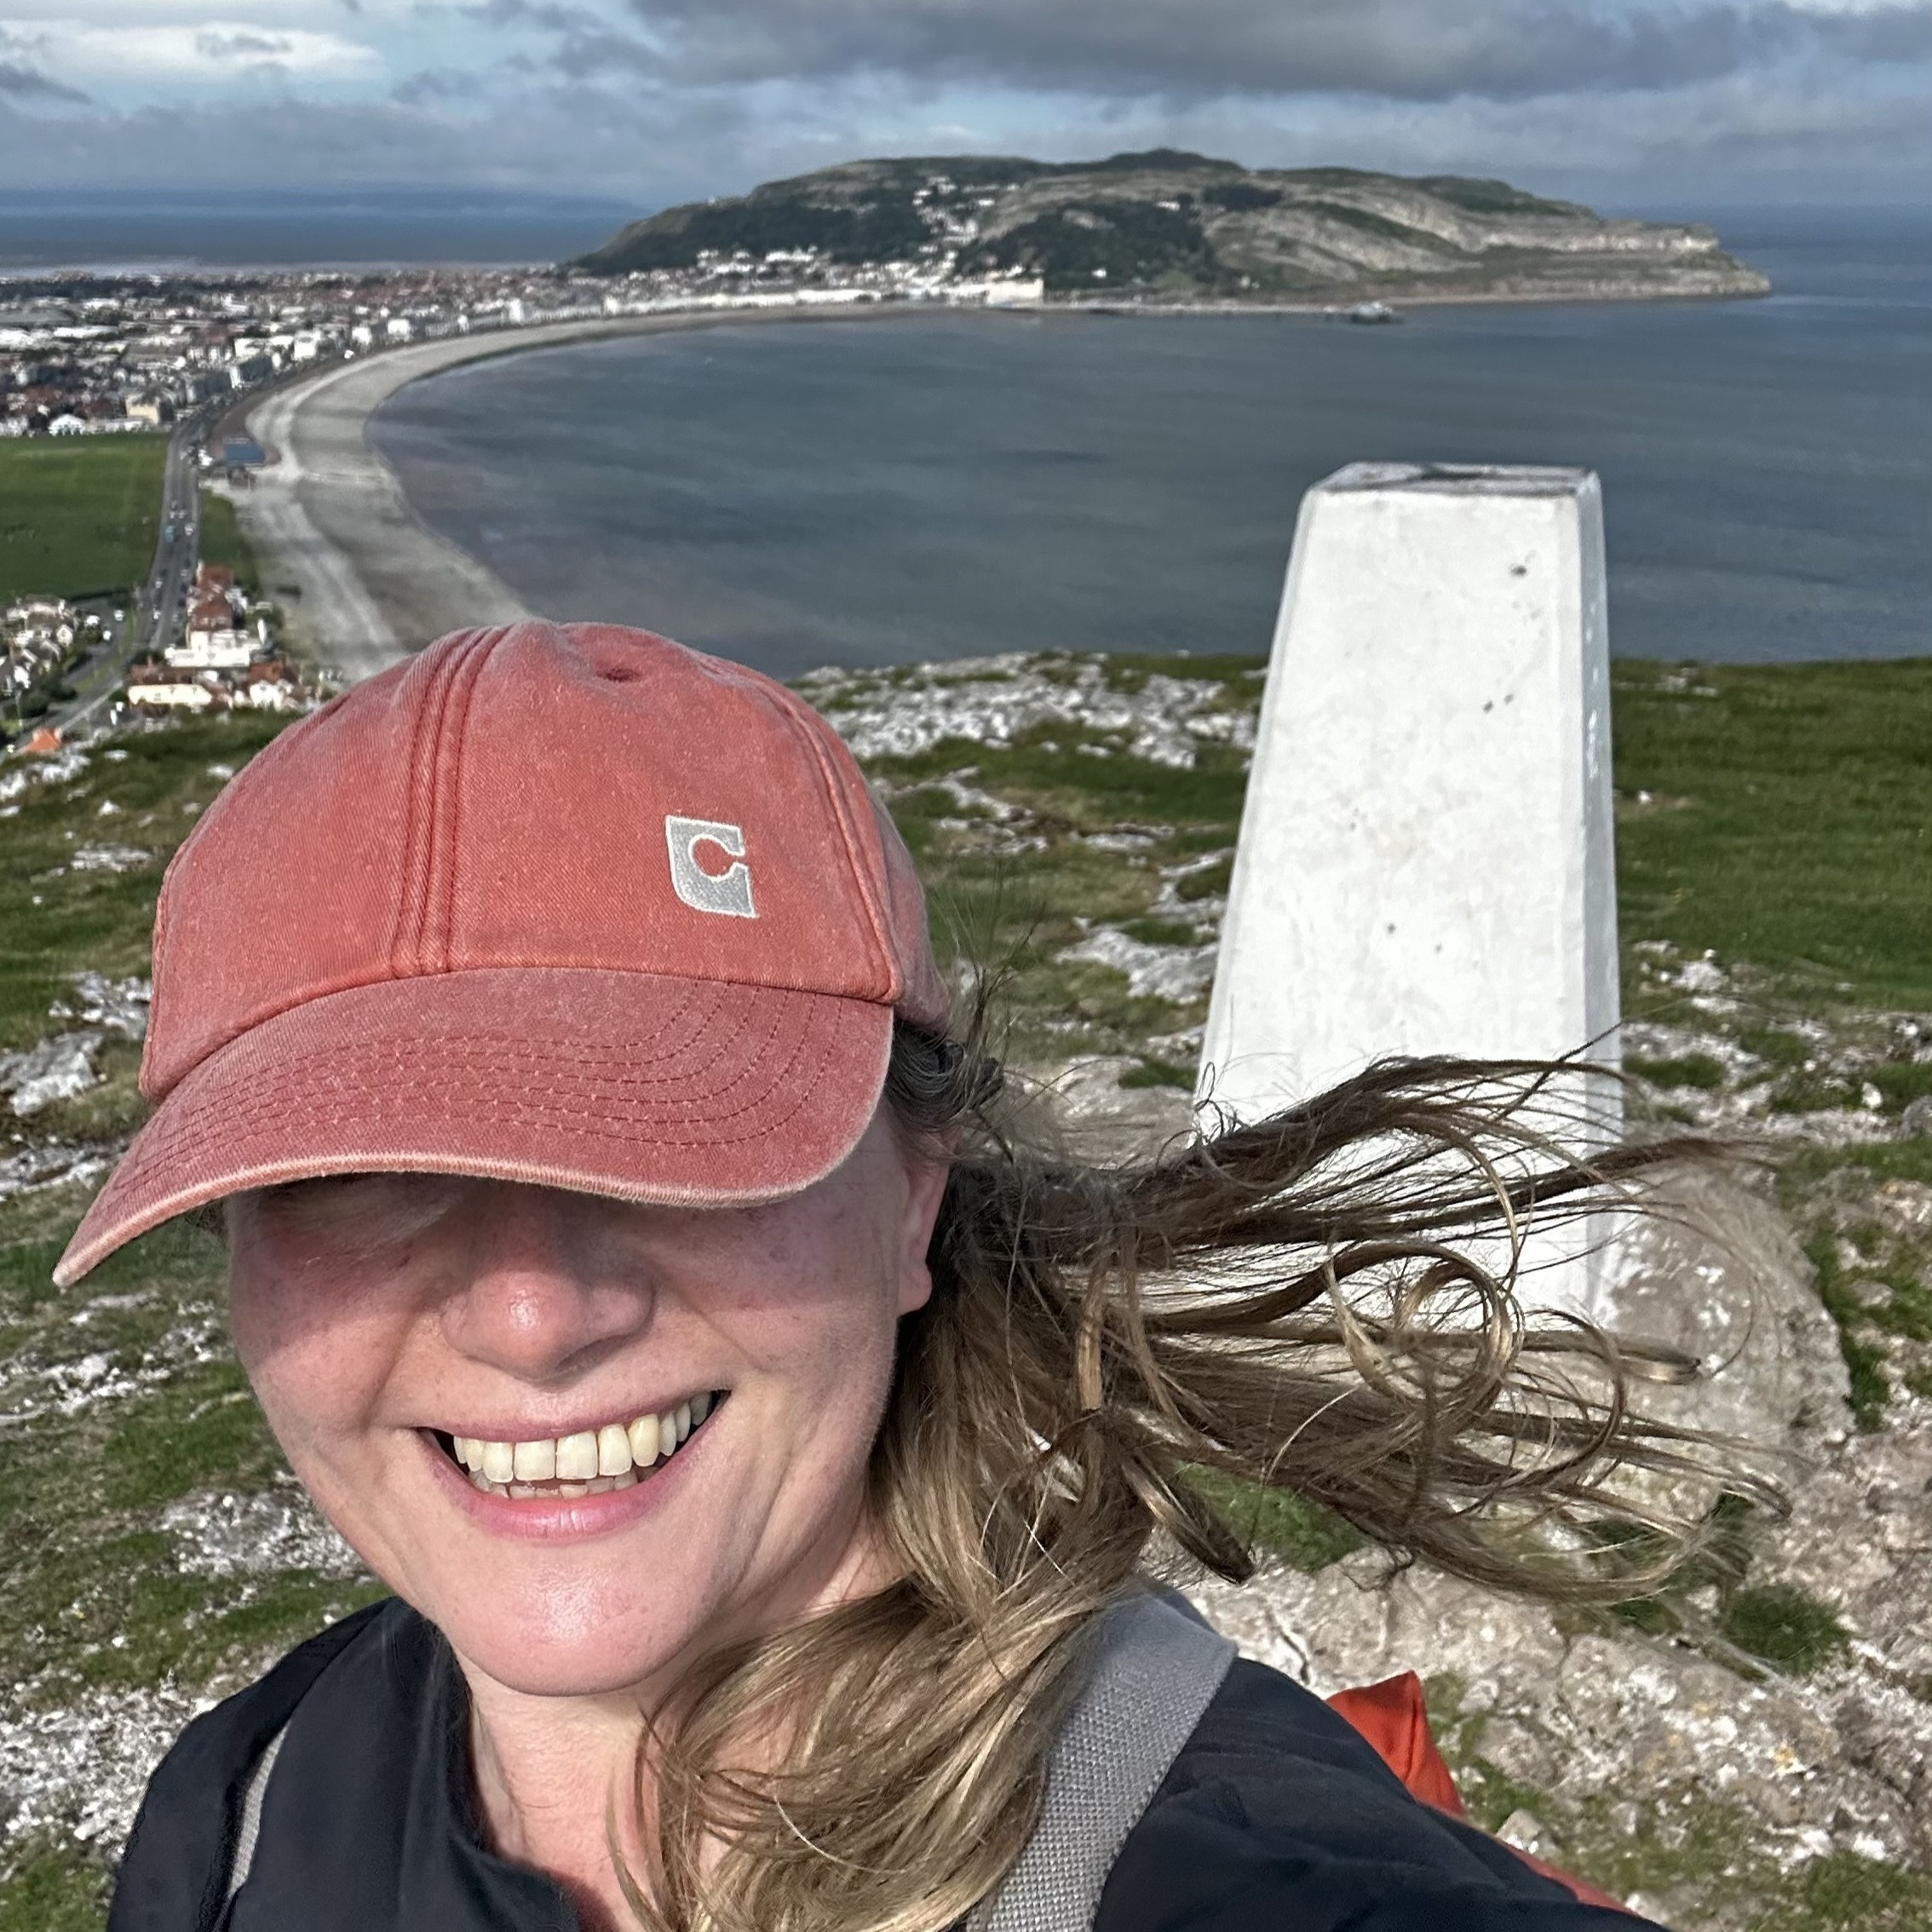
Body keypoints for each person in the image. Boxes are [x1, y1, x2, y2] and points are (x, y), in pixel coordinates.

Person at [68, 620, 1715, 1932]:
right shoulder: (244, 1806)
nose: (530, 1314)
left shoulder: (1236, 1868)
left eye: (679, 1142)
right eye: (361, 1175)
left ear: (913, 1197)